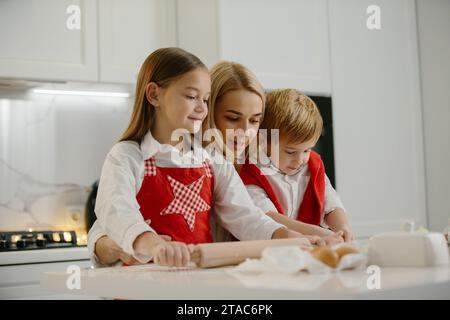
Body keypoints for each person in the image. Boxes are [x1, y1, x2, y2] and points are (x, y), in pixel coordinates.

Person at [88, 48, 310, 268]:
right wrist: (153, 244)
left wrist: (294, 238)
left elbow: (246, 216)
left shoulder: (213, 159)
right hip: (145, 283)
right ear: (154, 94)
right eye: (192, 96)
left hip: (198, 281)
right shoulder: (127, 156)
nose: (201, 108)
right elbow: (117, 212)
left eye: (205, 99)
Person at [239, 89, 354, 241]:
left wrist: (342, 228)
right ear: (263, 140)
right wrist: (316, 232)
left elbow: (331, 203)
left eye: (307, 150)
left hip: (311, 246)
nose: (300, 160)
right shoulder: (251, 170)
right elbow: (267, 217)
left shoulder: (313, 165)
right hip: (268, 248)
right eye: (290, 152)